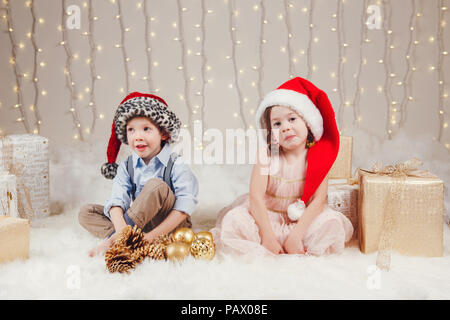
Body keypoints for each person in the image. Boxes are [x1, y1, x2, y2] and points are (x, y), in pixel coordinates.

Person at [211, 77, 353, 256]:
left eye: (292, 119)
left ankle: (296, 242)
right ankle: (269, 241)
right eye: (277, 123)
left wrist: (297, 235)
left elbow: (318, 201)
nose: (285, 127)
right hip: (266, 218)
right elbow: (256, 197)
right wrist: (267, 235)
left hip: (301, 223)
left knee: (331, 221)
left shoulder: (317, 158)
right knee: (235, 220)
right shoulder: (267, 156)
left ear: (308, 124)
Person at [79, 92, 199, 257]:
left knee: (156, 185)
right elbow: (117, 200)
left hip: (170, 226)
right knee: (87, 212)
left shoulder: (175, 164)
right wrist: (122, 229)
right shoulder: (127, 166)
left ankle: (114, 240)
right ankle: (127, 237)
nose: (138, 137)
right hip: (141, 223)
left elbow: (184, 207)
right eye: (131, 130)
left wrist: (149, 238)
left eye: (146, 129)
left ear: (164, 133)